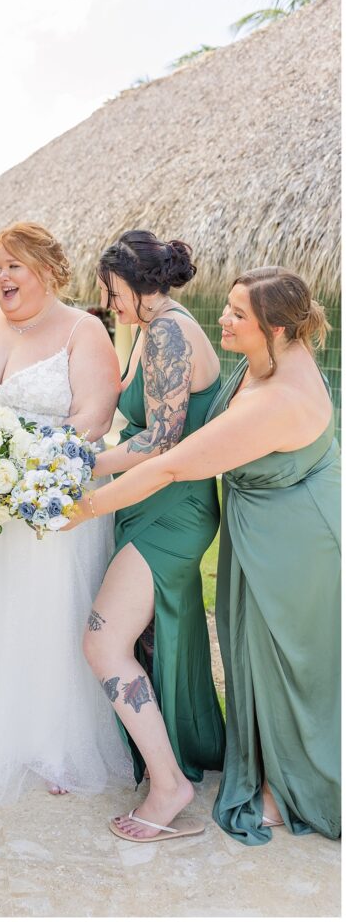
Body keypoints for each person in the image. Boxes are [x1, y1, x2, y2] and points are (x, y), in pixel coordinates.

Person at [67, 266, 340, 845]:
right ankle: (270, 777)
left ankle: (297, 787)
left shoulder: (280, 397)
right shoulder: (269, 361)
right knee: (258, 663)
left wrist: (78, 508)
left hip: (296, 543)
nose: (223, 318)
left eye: (239, 314)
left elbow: (171, 462)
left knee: (294, 666)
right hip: (258, 529)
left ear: (281, 328)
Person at [0, 221, 130, 806]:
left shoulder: (84, 331)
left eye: (13, 265)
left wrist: (25, 463)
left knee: (41, 617)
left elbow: (92, 416)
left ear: (47, 271)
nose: (1, 276)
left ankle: (49, 742)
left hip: (44, 510)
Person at [79, 230, 225, 842]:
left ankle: (170, 787)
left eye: (111, 290)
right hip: (148, 500)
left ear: (133, 281)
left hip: (172, 509)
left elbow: (163, 438)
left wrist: (76, 464)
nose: (109, 301)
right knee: (134, 644)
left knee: (103, 644)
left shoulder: (167, 331)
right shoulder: (149, 328)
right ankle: (164, 766)